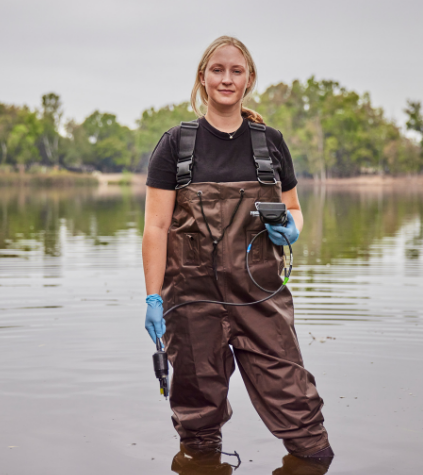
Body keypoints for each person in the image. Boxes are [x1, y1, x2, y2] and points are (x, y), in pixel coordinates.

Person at [142, 36, 333, 461]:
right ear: (203, 78)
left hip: (261, 298)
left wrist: (292, 228)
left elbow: (295, 209)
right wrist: (153, 296)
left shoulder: (270, 143)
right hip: (191, 303)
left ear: (248, 81)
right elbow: (155, 227)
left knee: (303, 421)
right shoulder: (175, 145)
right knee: (198, 425)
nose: (226, 78)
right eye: (217, 70)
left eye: (236, 71)